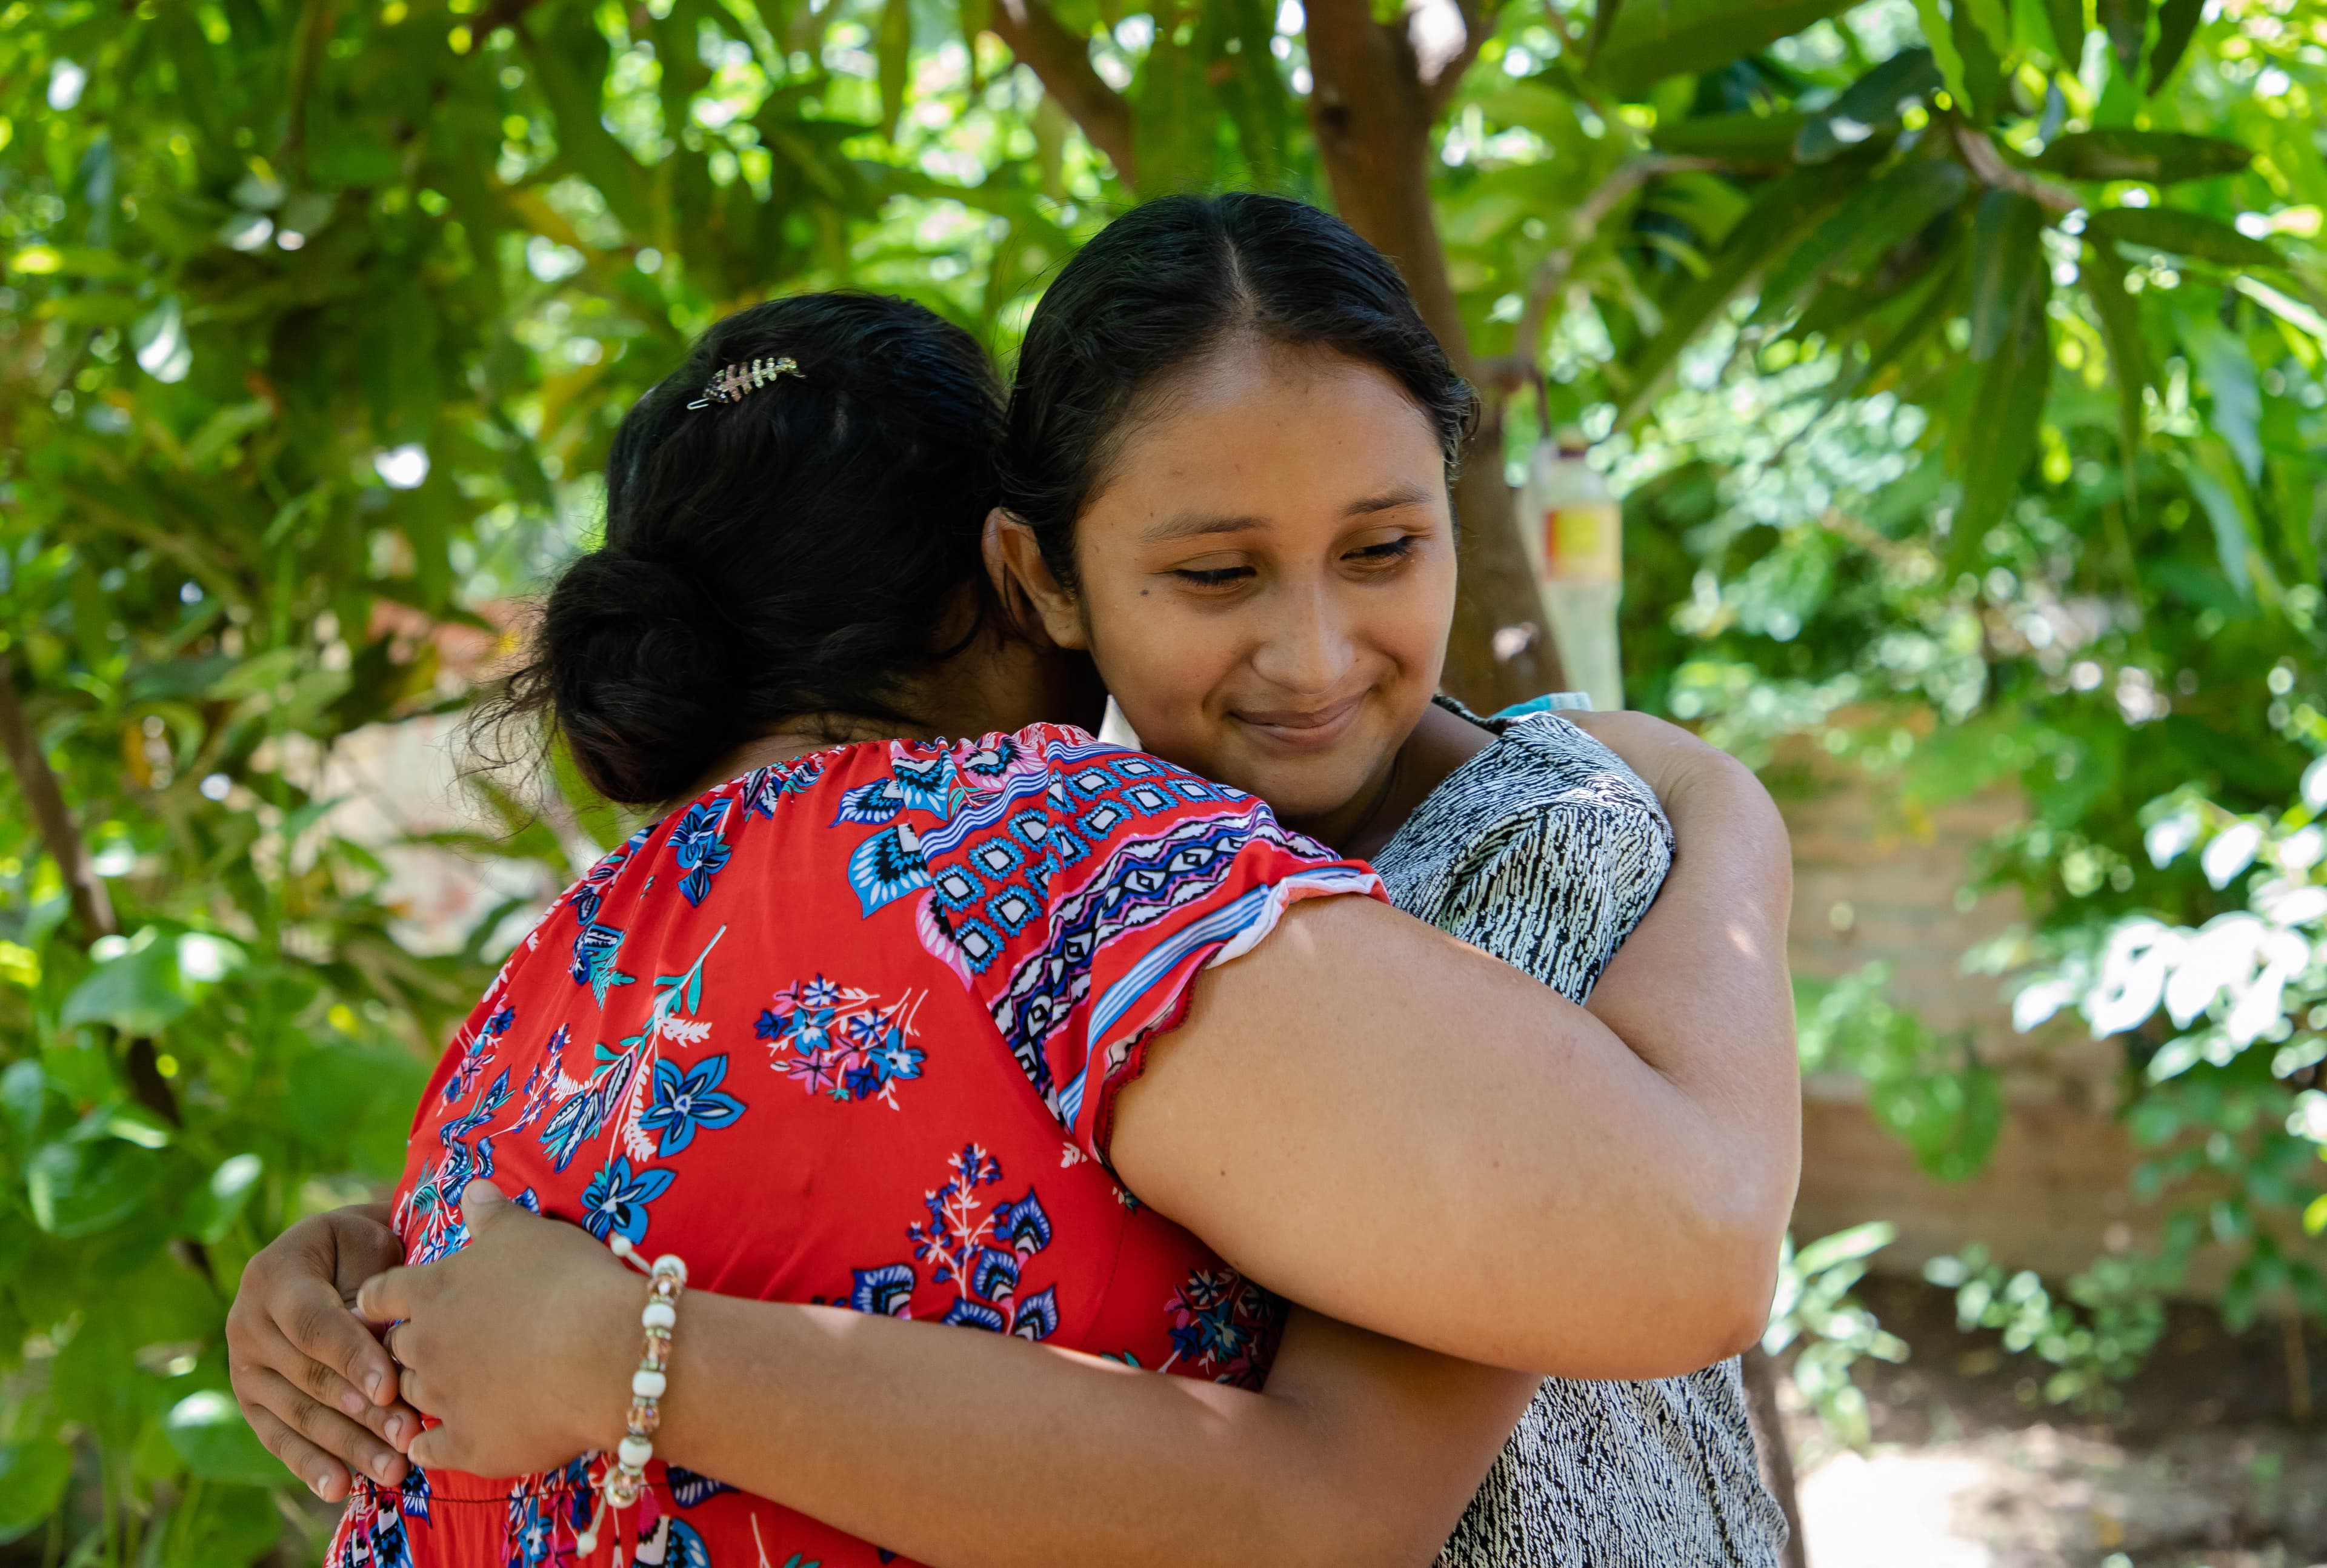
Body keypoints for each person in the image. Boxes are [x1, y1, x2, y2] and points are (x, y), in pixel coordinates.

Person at [228, 206, 1796, 1568]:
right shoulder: (1068, 855)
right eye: (1207, 570)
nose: (1311, 653)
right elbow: (1630, 1290)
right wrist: (1726, 809)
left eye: (1380, 546)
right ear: (1023, 581)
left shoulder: (538, 996)